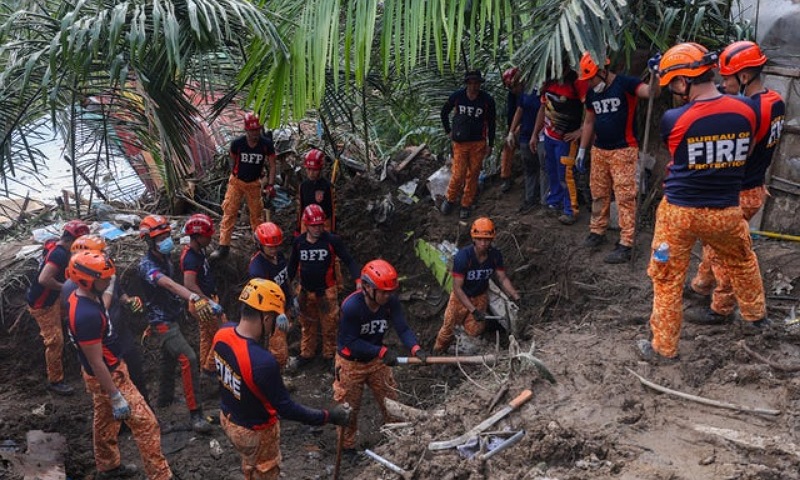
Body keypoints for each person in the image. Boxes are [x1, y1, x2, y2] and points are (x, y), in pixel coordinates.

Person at [637, 42, 767, 362]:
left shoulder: (673, 118)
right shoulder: (747, 109)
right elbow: (745, 155)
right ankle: (755, 318)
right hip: (725, 210)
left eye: (673, 85)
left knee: (667, 277)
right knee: (741, 260)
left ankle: (663, 348)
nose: (673, 92)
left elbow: (679, 156)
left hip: (679, 213)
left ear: (683, 82)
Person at [687, 40, 785, 324]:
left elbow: (741, 153)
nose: (722, 83)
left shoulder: (750, 112)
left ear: (744, 77)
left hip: (740, 191)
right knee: (715, 245)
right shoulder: (774, 101)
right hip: (756, 185)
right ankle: (701, 286)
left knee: (726, 253)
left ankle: (721, 308)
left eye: (726, 78)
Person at [211, 278, 350, 480]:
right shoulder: (262, 362)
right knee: (266, 469)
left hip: (229, 420)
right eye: (274, 318)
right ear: (266, 317)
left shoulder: (222, 333)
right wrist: (328, 416)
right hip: (256, 432)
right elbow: (286, 408)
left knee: (250, 464)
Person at [66, 251, 173, 480]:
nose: (108, 281)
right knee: (147, 424)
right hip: (109, 375)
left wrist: (110, 284)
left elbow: (103, 307)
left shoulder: (82, 297)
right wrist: (115, 395)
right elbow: (96, 361)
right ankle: (161, 476)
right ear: (87, 279)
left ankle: (108, 467)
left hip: (102, 373)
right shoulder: (85, 316)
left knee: (104, 420)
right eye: (103, 278)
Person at [334, 259, 427, 457]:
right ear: (367, 287)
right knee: (349, 408)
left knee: (390, 399)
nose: (387, 296)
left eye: (390, 292)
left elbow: (402, 327)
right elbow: (351, 342)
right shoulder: (351, 307)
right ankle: (347, 447)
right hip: (351, 364)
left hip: (376, 361)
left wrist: (415, 348)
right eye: (383, 292)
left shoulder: (390, 303)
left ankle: (395, 437)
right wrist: (382, 352)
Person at [576, 51, 659, 263]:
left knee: (625, 197)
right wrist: (582, 150)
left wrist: (656, 74)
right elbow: (589, 122)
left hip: (623, 149)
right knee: (598, 193)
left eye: (591, 79)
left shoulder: (624, 84)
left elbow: (651, 92)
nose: (590, 84)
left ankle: (626, 241)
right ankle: (597, 231)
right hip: (599, 150)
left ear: (602, 72)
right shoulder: (593, 93)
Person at [138, 214, 216, 432]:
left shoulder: (165, 258)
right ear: (149, 241)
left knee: (168, 358)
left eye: (166, 235)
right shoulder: (147, 266)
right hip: (161, 321)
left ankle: (164, 400)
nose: (165, 240)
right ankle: (196, 414)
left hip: (171, 315)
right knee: (188, 358)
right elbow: (170, 285)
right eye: (160, 237)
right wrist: (193, 297)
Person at [62, 234, 149, 403]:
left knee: (137, 377)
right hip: (102, 347)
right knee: (112, 391)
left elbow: (119, 292)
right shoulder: (73, 288)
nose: (106, 256)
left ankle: (144, 412)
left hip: (122, 336)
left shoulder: (104, 272)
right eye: (101, 252)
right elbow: (98, 312)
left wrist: (128, 300)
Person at [433, 217, 522, 353]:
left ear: (491, 239)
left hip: (480, 295)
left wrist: (515, 296)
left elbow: (502, 278)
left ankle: (463, 344)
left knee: (475, 330)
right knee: (448, 327)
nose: (483, 243)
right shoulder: (463, 257)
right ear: (473, 238)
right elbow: (457, 287)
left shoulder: (494, 256)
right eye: (480, 239)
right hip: (460, 297)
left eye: (486, 240)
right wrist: (473, 310)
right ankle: (438, 351)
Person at [288, 204, 360, 368]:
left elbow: (349, 260)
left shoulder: (332, 240)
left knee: (330, 324)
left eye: (320, 225)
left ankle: (329, 356)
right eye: (314, 225)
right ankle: (307, 354)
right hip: (305, 291)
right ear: (306, 224)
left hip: (327, 290)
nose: (318, 228)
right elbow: (292, 266)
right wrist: (285, 289)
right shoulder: (299, 242)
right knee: (307, 324)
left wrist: (358, 279)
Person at [26, 219, 89, 395]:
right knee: (55, 341)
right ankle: (55, 380)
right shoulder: (59, 254)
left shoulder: (57, 247)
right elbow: (44, 279)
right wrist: (67, 288)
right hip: (42, 303)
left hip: (53, 299)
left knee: (74, 317)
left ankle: (80, 358)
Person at [211, 112, 277, 260]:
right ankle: (223, 246)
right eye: (251, 130)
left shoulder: (266, 145)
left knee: (257, 216)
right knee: (229, 211)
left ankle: (260, 246)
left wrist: (270, 185)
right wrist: (235, 174)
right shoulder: (237, 144)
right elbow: (232, 160)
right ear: (246, 130)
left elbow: (272, 165)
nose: (254, 134)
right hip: (237, 182)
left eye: (257, 130)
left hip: (254, 183)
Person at [531, 62, 589, 225]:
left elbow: (590, 107)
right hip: (549, 135)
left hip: (566, 138)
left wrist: (581, 131)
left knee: (566, 173)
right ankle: (553, 202)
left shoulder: (576, 81)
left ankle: (571, 210)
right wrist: (535, 134)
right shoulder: (547, 81)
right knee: (552, 171)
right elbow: (542, 109)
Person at [440, 70, 497, 220]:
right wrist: (448, 131)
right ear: (467, 83)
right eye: (471, 83)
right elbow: (444, 112)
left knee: (473, 175)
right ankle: (450, 198)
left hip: (478, 142)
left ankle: (466, 204)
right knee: (458, 174)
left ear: (479, 84)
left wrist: (490, 143)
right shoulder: (457, 97)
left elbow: (492, 123)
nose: (473, 86)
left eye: (476, 83)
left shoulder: (487, 100)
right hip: (460, 142)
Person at [180, 213, 224, 373]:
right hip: (202, 303)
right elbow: (189, 283)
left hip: (205, 300)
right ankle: (211, 368)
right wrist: (210, 302)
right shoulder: (190, 258)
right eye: (207, 236)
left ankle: (205, 367)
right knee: (222, 334)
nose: (210, 238)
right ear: (197, 236)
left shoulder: (198, 251)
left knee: (207, 335)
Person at [248, 222, 292, 369]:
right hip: (268, 312)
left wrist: (292, 301)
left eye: (276, 246)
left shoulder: (279, 257)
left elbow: (285, 281)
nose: (274, 250)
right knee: (276, 349)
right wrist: (279, 312)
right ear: (260, 245)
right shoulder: (257, 268)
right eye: (270, 247)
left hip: (283, 307)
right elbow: (264, 297)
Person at [508, 77, 543, 212]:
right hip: (525, 134)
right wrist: (511, 131)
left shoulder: (543, 90)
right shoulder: (526, 91)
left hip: (542, 135)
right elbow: (519, 110)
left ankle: (545, 201)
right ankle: (530, 199)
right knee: (529, 167)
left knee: (544, 168)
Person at [295, 148, 336, 235]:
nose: (311, 173)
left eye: (314, 170)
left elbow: (331, 210)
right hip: (306, 223)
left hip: (323, 224)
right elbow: (301, 208)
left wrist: (332, 231)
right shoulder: (303, 186)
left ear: (320, 169)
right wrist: (298, 229)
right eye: (308, 169)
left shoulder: (327, 186)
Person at [499, 67, 524, 193]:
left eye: (513, 86)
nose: (512, 89)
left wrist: (517, 129)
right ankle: (505, 177)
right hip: (514, 127)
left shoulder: (527, 93)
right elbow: (512, 114)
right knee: (507, 147)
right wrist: (510, 131)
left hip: (528, 126)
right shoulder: (511, 96)